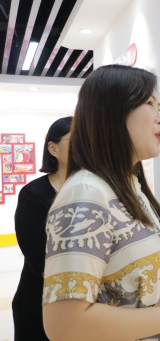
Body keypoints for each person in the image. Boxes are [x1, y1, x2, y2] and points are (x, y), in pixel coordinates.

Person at [42, 65, 160, 341]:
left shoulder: (131, 188)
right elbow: (64, 325)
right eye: (149, 104)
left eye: (159, 107)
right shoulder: (87, 193)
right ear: (113, 113)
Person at [13, 116, 72, 341]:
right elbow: (41, 262)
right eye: (76, 140)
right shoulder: (32, 194)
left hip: (87, 303)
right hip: (39, 304)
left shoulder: (94, 190)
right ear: (53, 148)